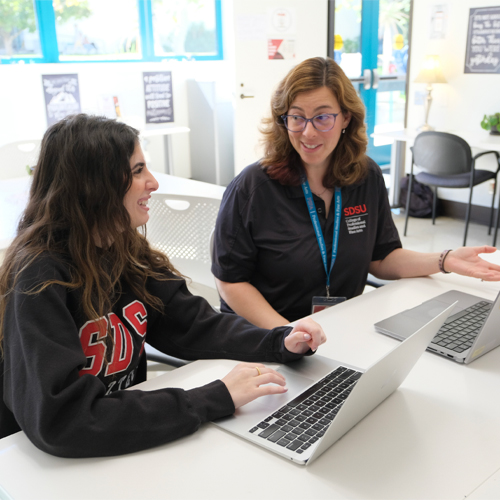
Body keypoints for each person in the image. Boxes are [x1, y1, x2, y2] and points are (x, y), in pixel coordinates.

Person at [0, 114, 326, 457]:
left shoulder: (125, 250)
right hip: (44, 466)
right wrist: (215, 397)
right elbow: (63, 420)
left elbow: (195, 325)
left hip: (120, 437)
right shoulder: (39, 278)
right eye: (138, 171)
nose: (153, 183)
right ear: (96, 184)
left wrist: (280, 341)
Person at [211, 56, 500, 329]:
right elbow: (230, 282)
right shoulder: (253, 188)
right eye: (297, 118)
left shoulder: (366, 177)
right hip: (266, 337)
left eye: (323, 117)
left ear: (346, 118)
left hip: (339, 329)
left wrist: (444, 260)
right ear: (283, 120)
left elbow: (382, 257)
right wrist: (287, 334)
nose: (308, 133)